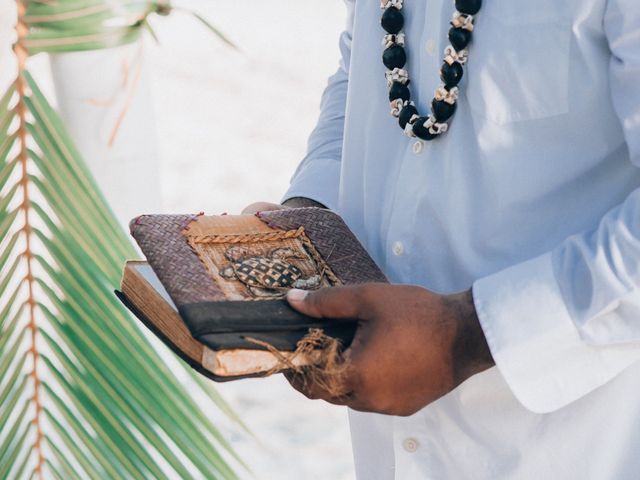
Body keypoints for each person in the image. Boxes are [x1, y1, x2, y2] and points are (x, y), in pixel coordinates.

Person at [244, 0, 640, 477]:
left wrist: (464, 337)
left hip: (570, 440)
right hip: (383, 440)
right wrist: (312, 212)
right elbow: (366, 68)